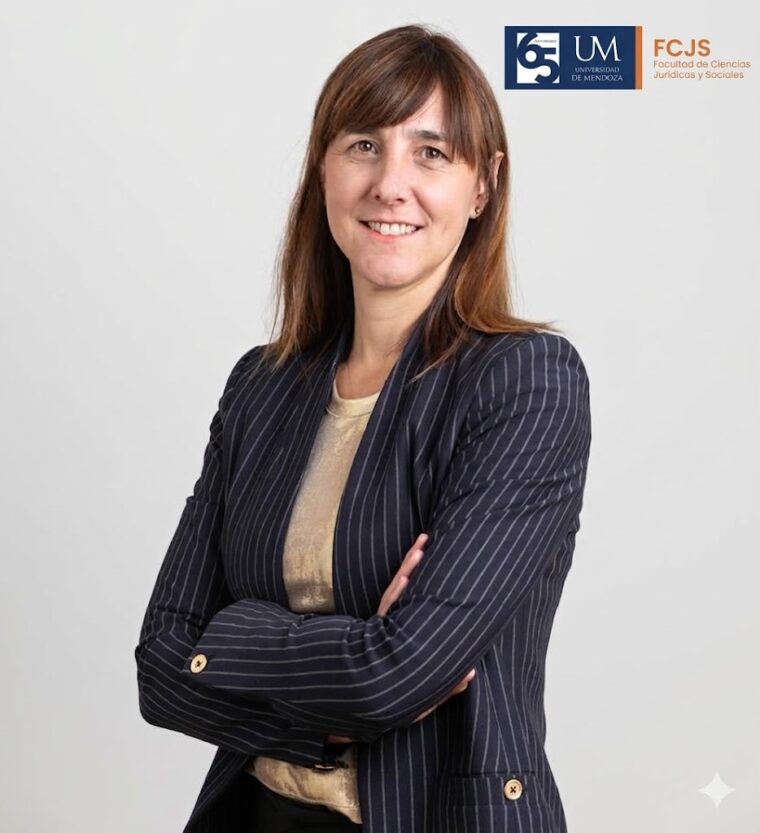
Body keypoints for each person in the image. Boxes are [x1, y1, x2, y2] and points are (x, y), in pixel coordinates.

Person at [134, 23, 592, 833]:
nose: (390, 184)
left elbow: (401, 674)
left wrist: (234, 635)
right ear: (324, 170)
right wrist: (342, 682)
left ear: (482, 187)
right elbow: (162, 666)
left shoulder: (525, 383)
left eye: (431, 153)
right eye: (364, 146)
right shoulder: (261, 386)